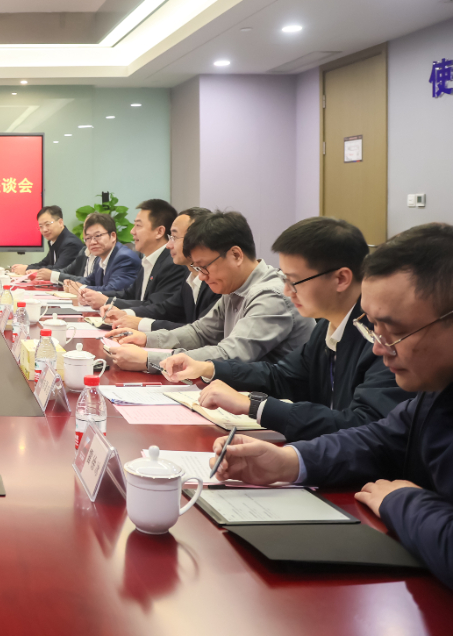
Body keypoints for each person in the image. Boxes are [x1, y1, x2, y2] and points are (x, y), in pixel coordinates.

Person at [209, 223, 453, 588]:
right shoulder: (435, 388)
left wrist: (403, 501)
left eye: (395, 331)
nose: (378, 347)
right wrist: (289, 462)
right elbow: (379, 438)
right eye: (373, 327)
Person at [161, 217, 412, 440]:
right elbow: (282, 376)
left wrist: (255, 405)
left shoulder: (382, 339)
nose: (287, 291)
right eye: (285, 278)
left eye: (295, 281)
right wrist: (210, 368)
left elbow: (361, 424)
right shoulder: (327, 326)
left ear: (341, 279)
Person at [108, 210, 312, 373]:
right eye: (197, 268)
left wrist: (150, 359)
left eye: (204, 267)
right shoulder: (235, 287)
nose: (202, 277)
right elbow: (200, 332)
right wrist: (146, 339)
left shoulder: (271, 295)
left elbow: (230, 354)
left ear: (236, 255)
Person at [103, 207, 219, 332]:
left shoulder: (217, 281)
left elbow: (202, 333)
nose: (168, 245)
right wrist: (126, 314)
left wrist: (141, 323)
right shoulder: (189, 274)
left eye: (174, 237)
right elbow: (166, 308)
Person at [79, 199, 187, 314]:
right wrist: (97, 296)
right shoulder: (148, 260)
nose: (132, 231)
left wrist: (107, 301)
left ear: (159, 232)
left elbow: (157, 307)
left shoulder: (173, 263)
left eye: (138, 225)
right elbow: (130, 294)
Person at [54, 213, 141, 296]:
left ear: (113, 236)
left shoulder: (124, 258)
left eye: (98, 236)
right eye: (88, 238)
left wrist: (81, 289)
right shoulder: (100, 257)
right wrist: (73, 284)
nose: (92, 242)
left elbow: (114, 290)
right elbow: (90, 280)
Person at [9, 205, 84, 280]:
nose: (44, 230)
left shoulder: (71, 244)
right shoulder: (54, 241)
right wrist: (26, 267)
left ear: (60, 222)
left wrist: (28, 269)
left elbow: (58, 269)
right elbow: (44, 263)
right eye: (41, 226)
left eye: (47, 224)